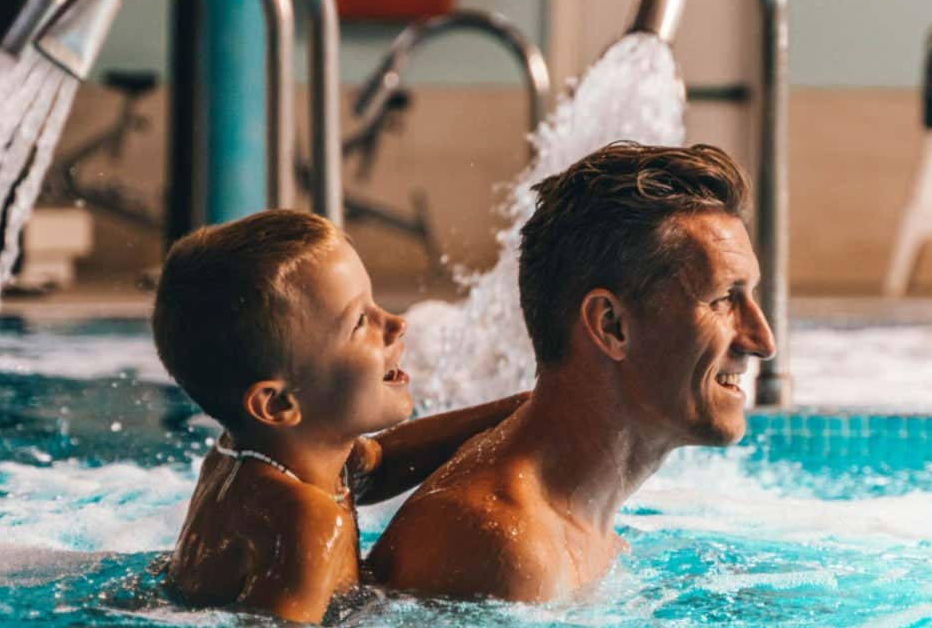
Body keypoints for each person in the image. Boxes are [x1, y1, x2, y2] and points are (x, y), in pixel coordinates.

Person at [368, 142, 776, 601]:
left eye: (750, 296)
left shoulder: (572, 529)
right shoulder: (507, 548)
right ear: (610, 325)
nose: (762, 341)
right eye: (723, 299)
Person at [151, 209, 527, 623]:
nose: (396, 323)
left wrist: (525, 407)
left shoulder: (247, 453)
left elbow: (377, 464)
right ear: (278, 404)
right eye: (360, 322)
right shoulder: (307, 525)